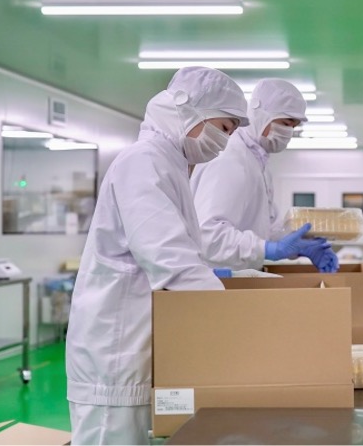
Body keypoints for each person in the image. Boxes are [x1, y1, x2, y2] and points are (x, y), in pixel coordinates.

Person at [65, 66, 249, 445]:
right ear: (191, 111)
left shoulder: (170, 165)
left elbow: (179, 253)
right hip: (114, 354)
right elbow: (172, 261)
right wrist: (242, 325)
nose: (224, 141)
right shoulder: (143, 161)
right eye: (224, 128)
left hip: (135, 350)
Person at [191, 78, 338, 273]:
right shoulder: (230, 158)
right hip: (217, 277)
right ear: (261, 115)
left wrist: (300, 244)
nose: (288, 133)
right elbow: (209, 234)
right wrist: (268, 249)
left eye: (293, 127)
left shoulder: (258, 163)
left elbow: (266, 228)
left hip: (237, 276)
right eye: (285, 123)